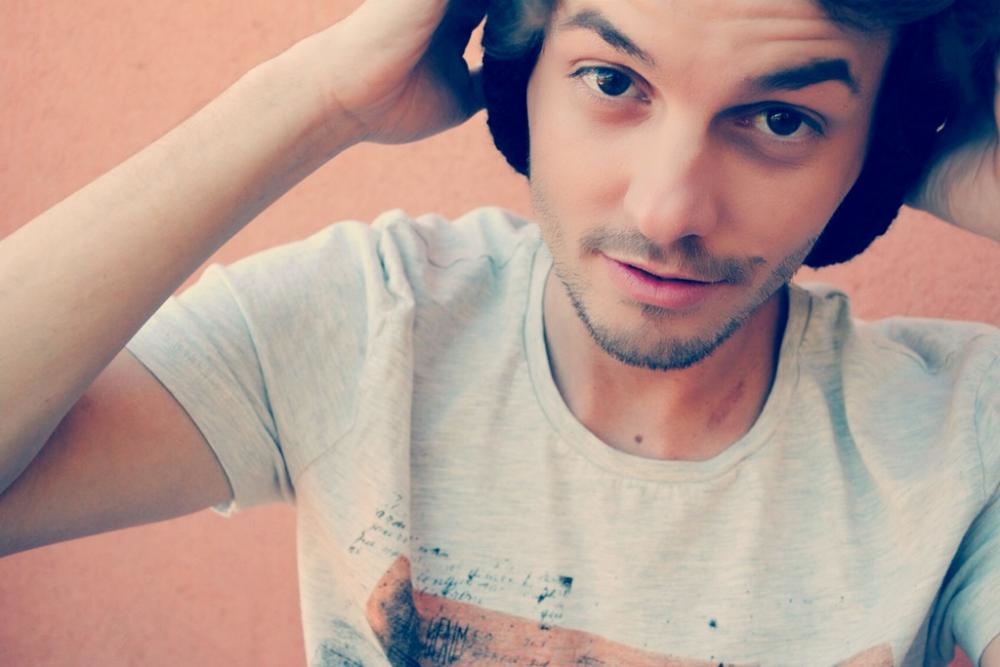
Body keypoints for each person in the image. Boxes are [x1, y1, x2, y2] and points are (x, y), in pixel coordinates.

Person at [1, 0, 998, 664]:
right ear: (522, 79)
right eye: (613, 81)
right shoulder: (372, 319)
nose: (666, 211)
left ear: (876, 156)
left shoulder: (960, 434)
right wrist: (317, 98)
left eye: (780, 120)